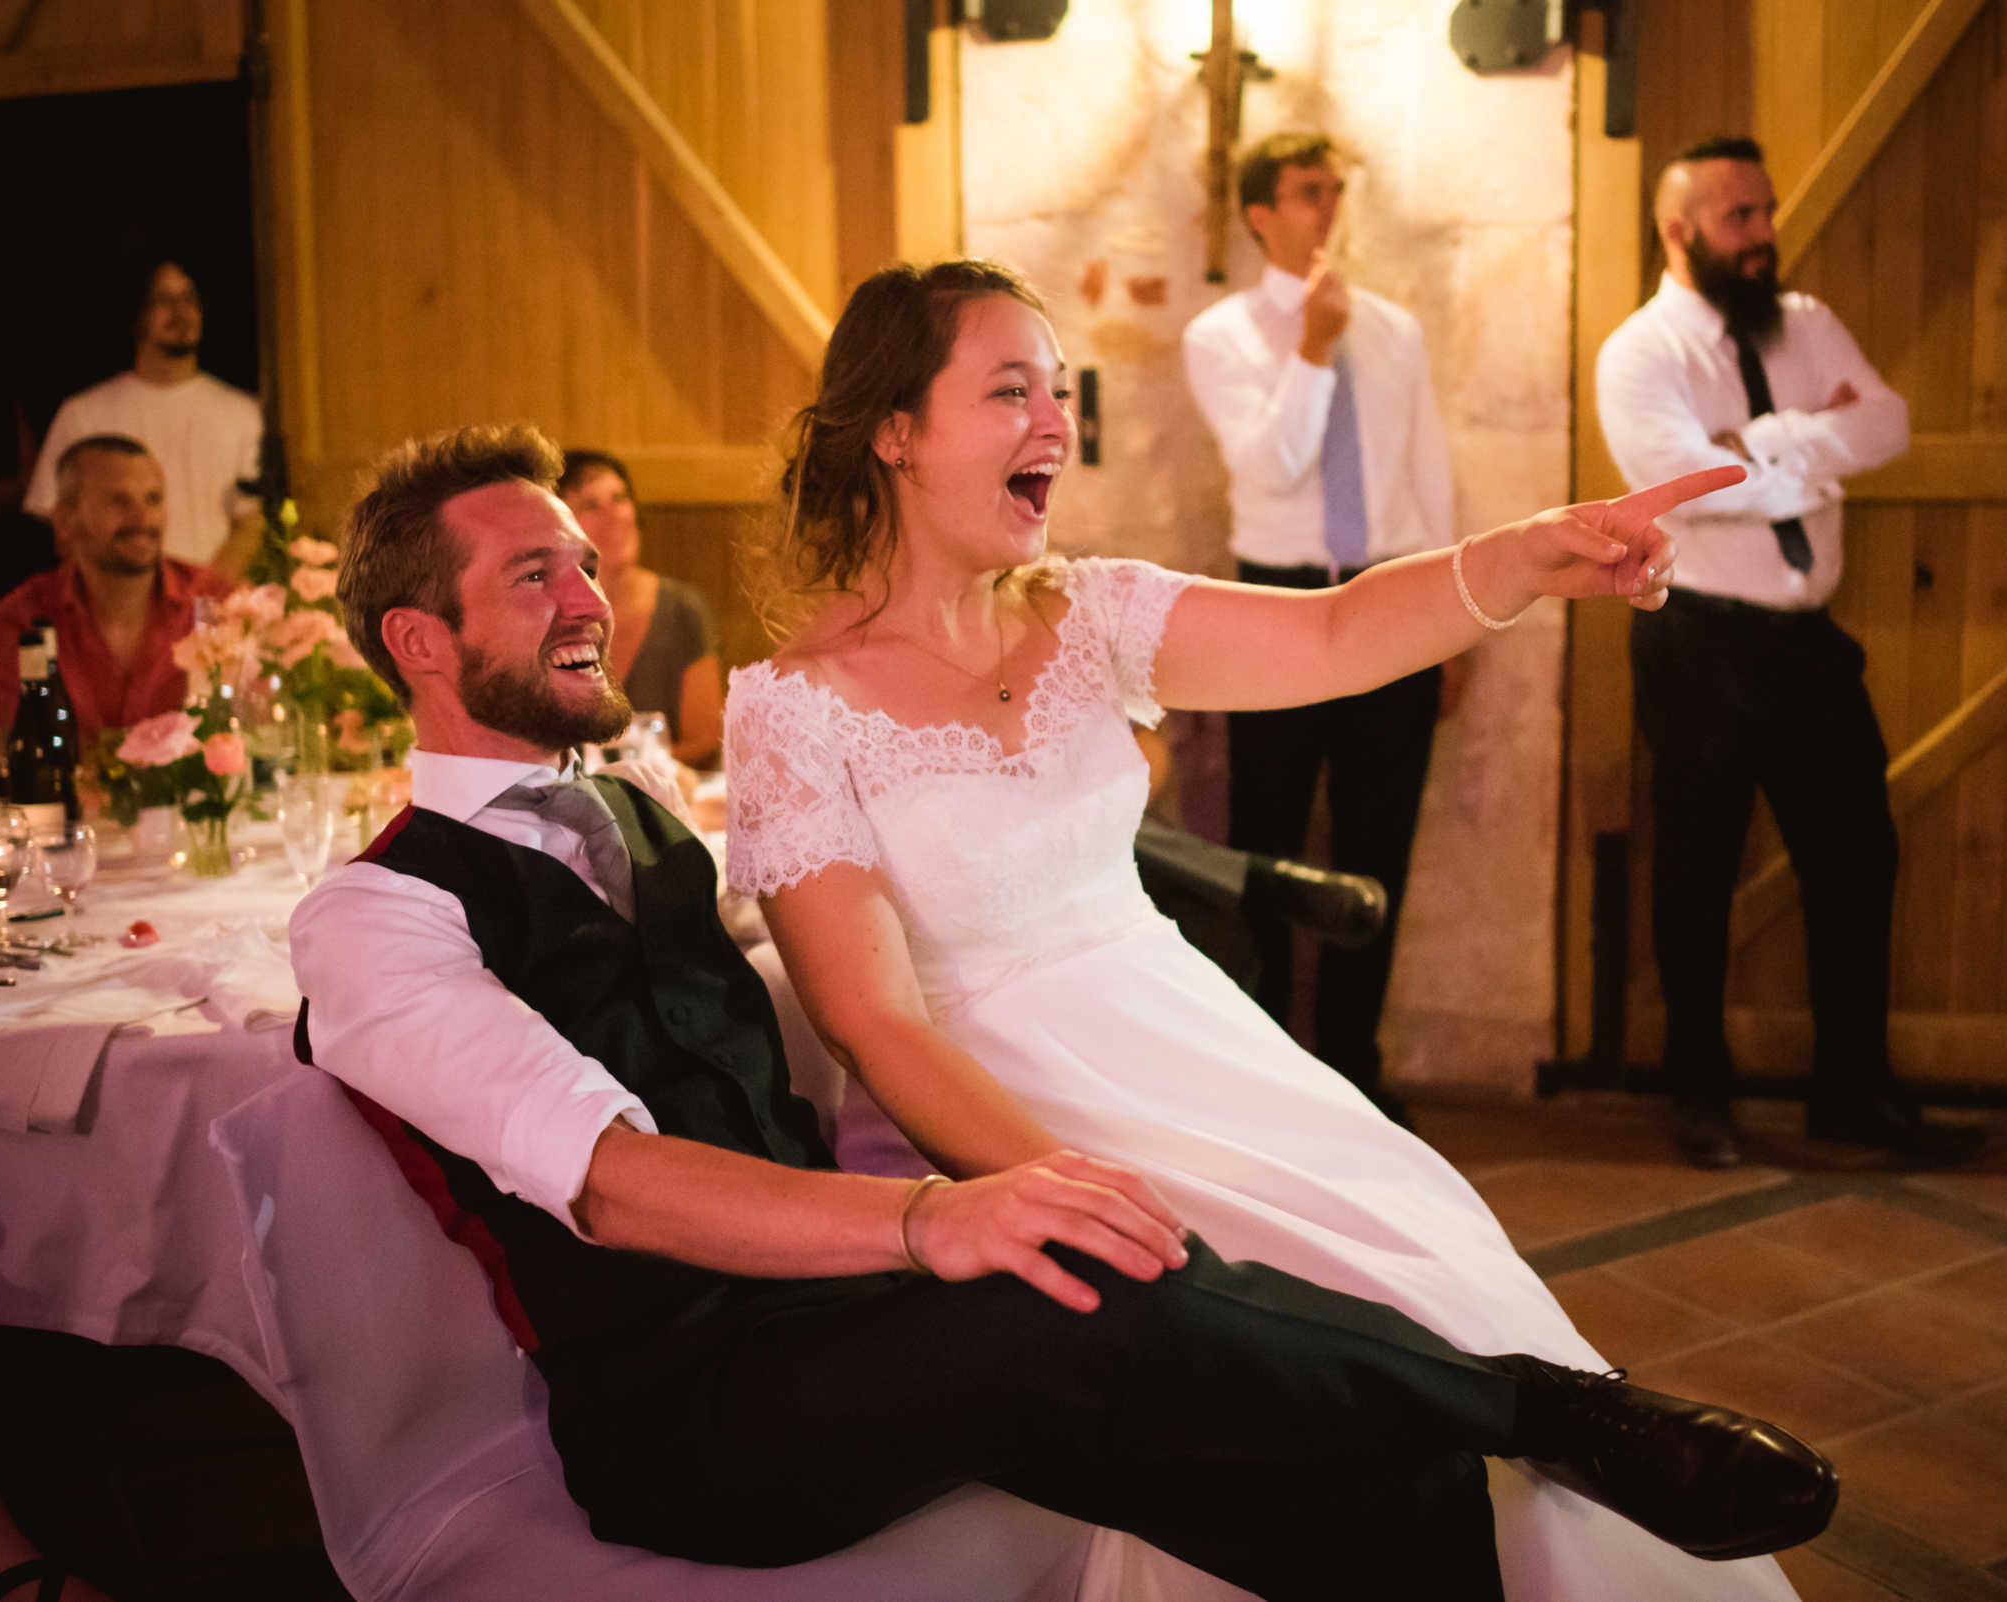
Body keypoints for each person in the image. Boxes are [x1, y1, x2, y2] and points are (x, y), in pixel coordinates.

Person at [290, 419, 1833, 1599]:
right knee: (1077, 1272)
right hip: (691, 1411)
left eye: (584, 560)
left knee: (1342, 1466)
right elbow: (616, 1185)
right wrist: (933, 1218)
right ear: (419, 639)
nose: (590, 596)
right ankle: (1557, 1412)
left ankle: (1486, 1444)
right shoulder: (373, 916)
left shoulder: (635, 809)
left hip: (837, 1318)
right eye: (535, 575)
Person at [725, 258, 1813, 1600]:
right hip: (1017, 1100)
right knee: (1304, 1336)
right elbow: (872, 1021)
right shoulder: (792, 711)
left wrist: (1525, 557)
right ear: (894, 430)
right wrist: (1062, 1184)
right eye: (1009, 392)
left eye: (1060, 392)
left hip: (1197, 1040)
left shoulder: (1087, 612)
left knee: (1433, 1256)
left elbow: (1335, 634)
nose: (1054, 423)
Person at [1593, 136, 1985, 1170]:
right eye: (1740, 218)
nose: (1765, 234)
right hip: (1697, 642)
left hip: (1809, 644)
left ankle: (1853, 1093)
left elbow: (1889, 424)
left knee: (1857, 861)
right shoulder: (1641, 353)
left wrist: (1764, 445)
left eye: (1766, 212)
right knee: (1696, 872)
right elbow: (1688, 488)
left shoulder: (1806, 322)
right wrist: (1815, 448)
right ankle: (1700, 1096)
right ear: (1678, 231)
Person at [1180, 132, 1455, 1122]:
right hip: (1278, 603)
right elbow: (1272, 465)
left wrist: (1452, 615)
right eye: (1306, 192)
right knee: (1266, 834)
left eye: (1335, 190)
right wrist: (1314, 346)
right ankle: (1265, 1078)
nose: (1328, 208)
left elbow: (1427, 474)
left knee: (1378, 845)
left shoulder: (1396, 329)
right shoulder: (1220, 336)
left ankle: (1353, 1072)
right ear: (1260, 215)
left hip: (1391, 595)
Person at [0, 435, 229, 741]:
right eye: (119, 501)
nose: (142, 518)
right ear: (65, 520)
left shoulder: (216, 601)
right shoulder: (21, 619)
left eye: (153, 499)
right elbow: (8, 747)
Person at [21, 261, 262, 575]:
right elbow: (59, 523)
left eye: (189, 298)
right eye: (164, 300)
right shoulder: (83, 414)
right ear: (137, 314)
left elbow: (252, 521)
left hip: (210, 597)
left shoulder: (242, 412)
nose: (181, 311)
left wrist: (202, 592)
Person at [555, 449, 725, 765]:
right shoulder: (547, 617)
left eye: (619, 499)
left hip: (661, 790)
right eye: (591, 505)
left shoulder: (682, 610)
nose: (614, 516)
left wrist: (623, 775)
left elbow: (704, 741)